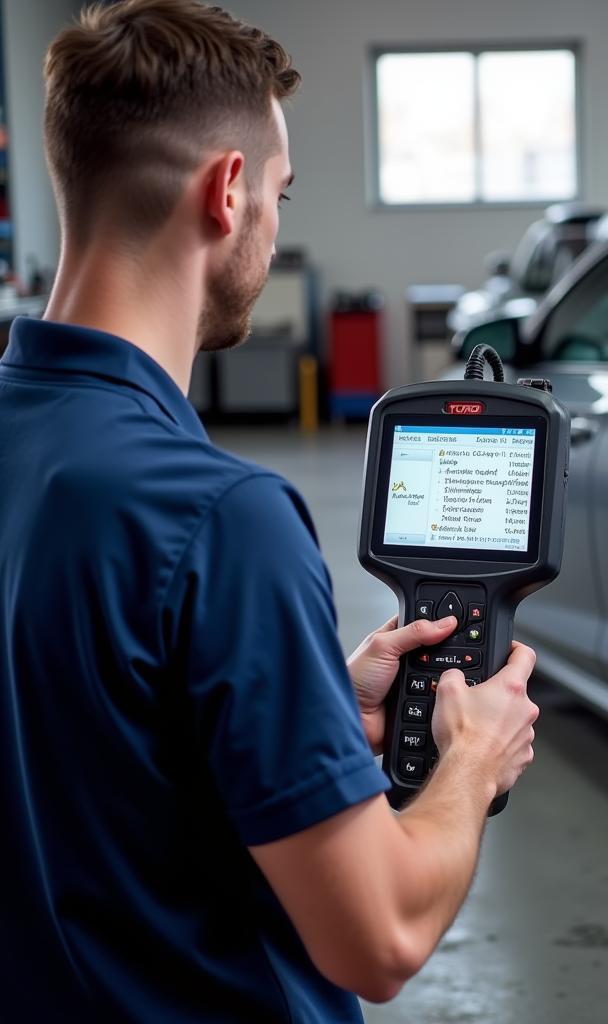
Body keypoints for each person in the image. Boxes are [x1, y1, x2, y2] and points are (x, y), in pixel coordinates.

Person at [0, 1, 539, 1020]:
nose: (277, 220)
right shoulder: (219, 517)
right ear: (229, 190)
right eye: (282, 194)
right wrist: (473, 754)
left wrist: (308, 707)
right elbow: (377, 937)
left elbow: (82, 735)